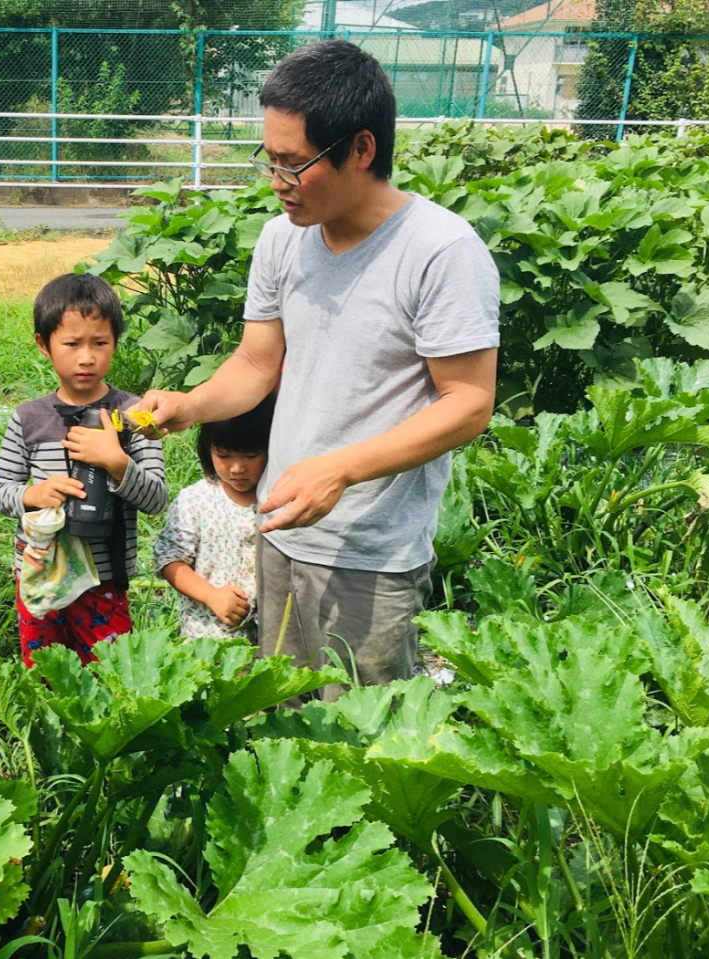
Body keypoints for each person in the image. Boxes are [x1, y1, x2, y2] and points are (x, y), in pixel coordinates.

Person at [134, 40, 500, 699]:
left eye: (294, 165)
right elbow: (257, 362)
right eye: (268, 161)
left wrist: (342, 468)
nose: (278, 183)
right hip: (280, 532)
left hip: (372, 553)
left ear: (361, 149)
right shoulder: (283, 237)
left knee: (364, 735)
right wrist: (189, 404)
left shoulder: (441, 252)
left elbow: (468, 402)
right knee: (286, 709)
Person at [0, 273, 167, 668]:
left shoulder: (134, 415)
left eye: (100, 343)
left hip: (102, 580)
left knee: (114, 677)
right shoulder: (28, 417)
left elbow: (156, 498)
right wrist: (31, 495)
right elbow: (0, 490)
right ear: (44, 345)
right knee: (48, 679)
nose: (86, 357)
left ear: (115, 343)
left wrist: (116, 462)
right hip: (39, 578)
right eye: (71, 344)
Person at [154, 394, 275, 641]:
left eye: (251, 455)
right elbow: (169, 561)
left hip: (269, 639)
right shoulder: (197, 500)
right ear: (208, 450)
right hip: (208, 637)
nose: (237, 468)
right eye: (224, 455)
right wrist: (211, 595)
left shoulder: (279, 499)